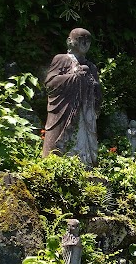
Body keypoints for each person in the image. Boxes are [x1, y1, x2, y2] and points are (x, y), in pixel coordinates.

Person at [42, 28, 101, 166]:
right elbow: (50, 83)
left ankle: (85, 164)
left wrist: (94, 87)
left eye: (88, 41)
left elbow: (97, 93)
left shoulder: (91, 67)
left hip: (86, 114)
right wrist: (74, 77)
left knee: (84, 143)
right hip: (66, 110)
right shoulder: (61, 59)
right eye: (81, 39)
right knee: (61, 148)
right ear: (69, 41)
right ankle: (60, 163)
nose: (85, 43)